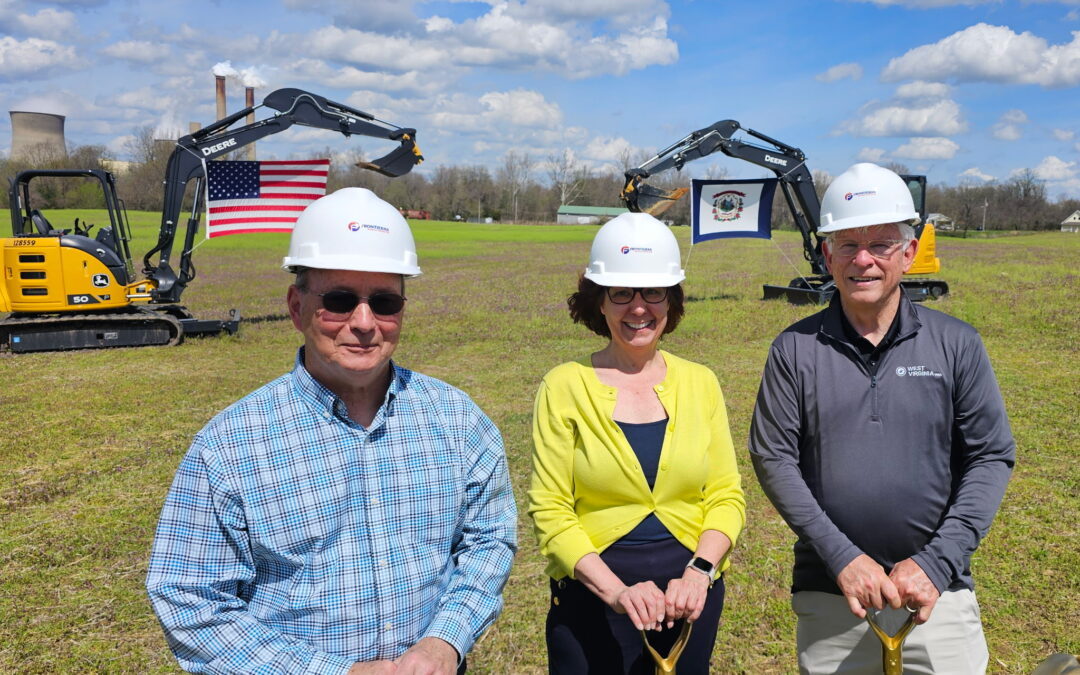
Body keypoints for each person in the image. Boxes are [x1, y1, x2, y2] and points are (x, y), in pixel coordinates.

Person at [146, 187, 517, 674]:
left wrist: (444, 643)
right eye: (340, 301)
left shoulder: (458, 420)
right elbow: (189, 600)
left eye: (384, 302)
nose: (364, 323)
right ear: (297, 308)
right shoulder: (230, 446)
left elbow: (488, 540)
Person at [749, 163, 1015, 674]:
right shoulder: (793, 350)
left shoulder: (957, 344)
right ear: (827, 253)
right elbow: (773, 458)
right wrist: (843, 557)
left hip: (937, 594)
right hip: (832, 593)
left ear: (909, 253)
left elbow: (990, 456)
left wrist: (937, 563)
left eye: (882, 245)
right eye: (847, 244)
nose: (863, 260)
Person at [528, 212, 746, 674]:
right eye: (622, 293)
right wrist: (618, 592)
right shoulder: (564, 386)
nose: (639, 307)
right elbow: (550, 512)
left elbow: (727, 496)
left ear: (672, 301)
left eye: (653, 292)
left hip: (688, 599)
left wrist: (700, 573)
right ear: (600, 302)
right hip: (594, 600)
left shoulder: (701, 383)